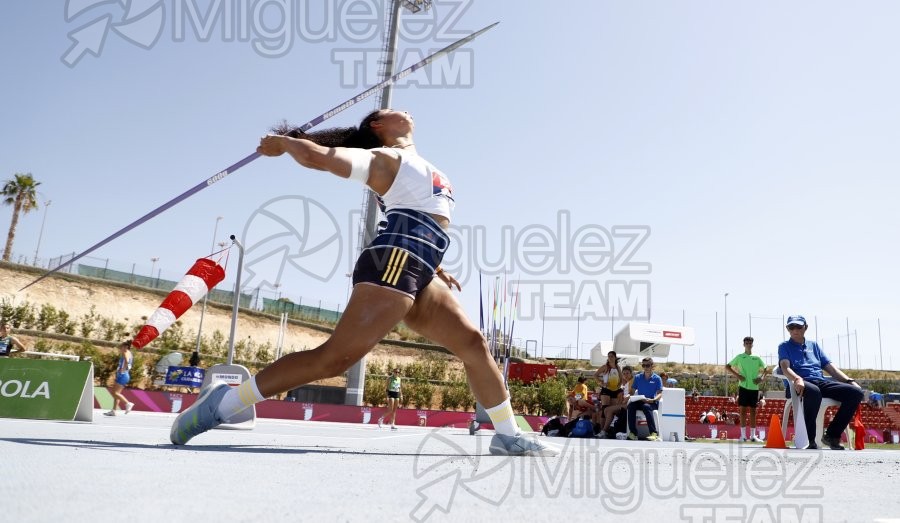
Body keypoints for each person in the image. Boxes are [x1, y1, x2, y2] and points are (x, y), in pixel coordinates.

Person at [170, 109, 555, 456]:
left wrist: (435, 268)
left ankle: (506, 434)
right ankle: (223, 404)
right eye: (391, 110)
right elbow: (319, 157)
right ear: (378, 126)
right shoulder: (384, 159)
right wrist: (286, 143)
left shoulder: (414, 163)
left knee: (473, 343)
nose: (402, 109)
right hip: (394, 262)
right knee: (335, 358)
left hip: (420, 264)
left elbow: (416, 213)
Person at [778, 315, 863, 450]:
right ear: (787, 329)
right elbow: (784, 367)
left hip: (819, 381)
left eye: (798, 326)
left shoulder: (814, 345)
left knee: (855, 393)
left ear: (805, 327)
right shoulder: (784, 346)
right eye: (791, 327)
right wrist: (797, 378)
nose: (795, 330)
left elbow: (831, 369)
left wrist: (850, 381)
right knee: (814, 391)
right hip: (798, 383)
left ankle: (832, 435)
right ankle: (809, 439)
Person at [725, 336, 768, 442]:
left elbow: (766, 369)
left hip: (754, 388)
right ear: (743, 344)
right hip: (743, 387)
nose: (748, 344)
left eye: (750, 343)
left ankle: (753, 436)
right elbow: (727, 366)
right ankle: (743, 436)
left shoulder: (757, 357)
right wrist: (738, 376)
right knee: (742, 411)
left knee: (753, 411)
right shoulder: (740, 357)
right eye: (746, 343)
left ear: (752, 344)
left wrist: (761, 378)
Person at [626, 357, 663, 441]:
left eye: (648, 365)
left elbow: (660, 394)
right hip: (640, 401)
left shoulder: (657, 378)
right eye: (644, 365)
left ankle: (653, 433)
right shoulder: (638, 377)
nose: (646, 367)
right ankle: (633, 433)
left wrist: (653, 400)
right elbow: (632, 391)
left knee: (646, 406)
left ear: (652, 366)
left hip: (651, 402)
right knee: (631, 406)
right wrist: (628, 395)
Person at [105, 341, 135, 416]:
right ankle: (114, 411)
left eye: (121, 347)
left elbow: (126, 361)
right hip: (124, 375)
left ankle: (128, 403)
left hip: (123, 375)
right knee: (116, 394)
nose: (120, 348)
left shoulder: (125, 352)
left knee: (114, 393)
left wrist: (122, 369)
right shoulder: (129, 353)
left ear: (126, 347)